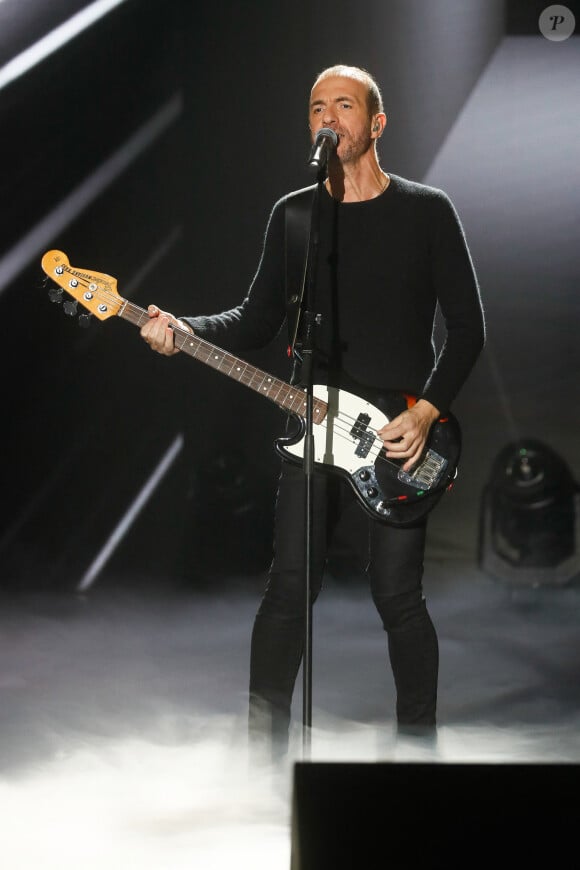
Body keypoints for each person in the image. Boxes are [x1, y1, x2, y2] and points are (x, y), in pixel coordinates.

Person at [140, 64, 485, 759]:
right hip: (312, 429)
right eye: (317, 107)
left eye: (345, 105)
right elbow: (255, 319)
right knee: (288, 592)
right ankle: (262, 757)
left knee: (398, 598)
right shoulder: (295, 215)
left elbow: (468, 327)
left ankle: (420, 749)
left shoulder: (427, 211)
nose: (329, 117)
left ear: (376, 123)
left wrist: (426, 414)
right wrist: (185, 329)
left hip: (397, 439)